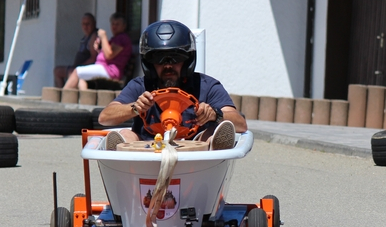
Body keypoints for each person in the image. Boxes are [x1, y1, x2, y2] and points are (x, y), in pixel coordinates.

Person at [98, 19, 247, 151]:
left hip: (196, 153)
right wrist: (135, 108)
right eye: (159, 58)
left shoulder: (207, 86)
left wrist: (215, 114)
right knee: (126, 134)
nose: (168, 65)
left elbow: (240, 124)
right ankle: (121, 151)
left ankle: (214, 146)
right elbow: (104, 118)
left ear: (188, 60)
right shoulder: (140, 85)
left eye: (176, 58)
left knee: (213, 132)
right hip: (146, 151)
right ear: (149, 63)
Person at [64, 12, 132, 90]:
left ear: (124, 26)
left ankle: (62, 95)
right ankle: (85, 97)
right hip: (105, 68)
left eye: (117, 24)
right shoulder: (116, 38)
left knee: (77, 72)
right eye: (113, 24)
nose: (114, 26)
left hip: (111, 71)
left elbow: (109, 55)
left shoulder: (122, 38)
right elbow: (107, 54)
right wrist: (99, 47)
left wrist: (103, 37)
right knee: (81, 79)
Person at [53, 13, 98, 87]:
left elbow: (94, 58)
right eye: (83, 24)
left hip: (83, 69)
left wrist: (79, 67)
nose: (85, 26)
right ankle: (60, 91)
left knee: (70, 74)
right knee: (57, 71)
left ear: (94, 24)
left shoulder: (94, 36)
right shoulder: (86, 36)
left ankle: (64, 93)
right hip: (77, 68)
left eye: (88, 24)